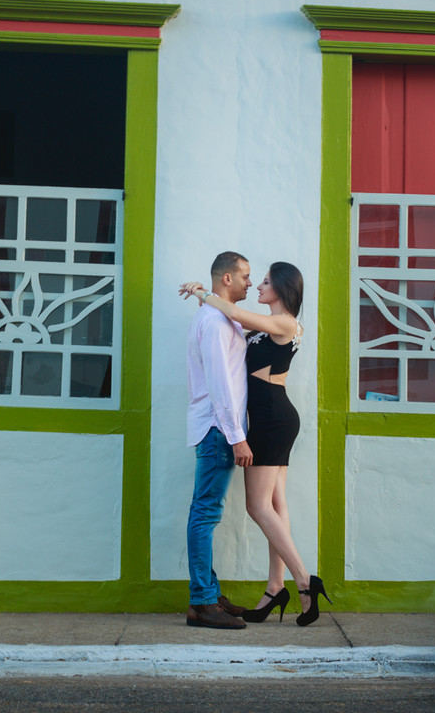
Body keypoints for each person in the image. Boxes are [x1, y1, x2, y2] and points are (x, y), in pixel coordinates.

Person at [180, 262, 330, 626]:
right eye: (255, 280)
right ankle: (274, 588)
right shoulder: (267, 323)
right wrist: (210, 300)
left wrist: (201, 292)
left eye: (264, 281)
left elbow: (231, 310)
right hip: (268, 419)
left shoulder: (286, 323)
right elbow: (230, 319)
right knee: (276, 505)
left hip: (272, 421)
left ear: (281, 287)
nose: (258, 285)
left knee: (258, 506)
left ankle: (304, 582)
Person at [183, 251, 254, 629]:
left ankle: (208, 592)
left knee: (207, 512)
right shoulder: (214, 322)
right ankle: (202, 602)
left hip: (219, 430)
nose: (249, 282)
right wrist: (236, 437)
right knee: (205, 513)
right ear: (226, 279)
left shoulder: (222, 317)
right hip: (217, 430)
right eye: (244, 275)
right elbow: (218, 385)